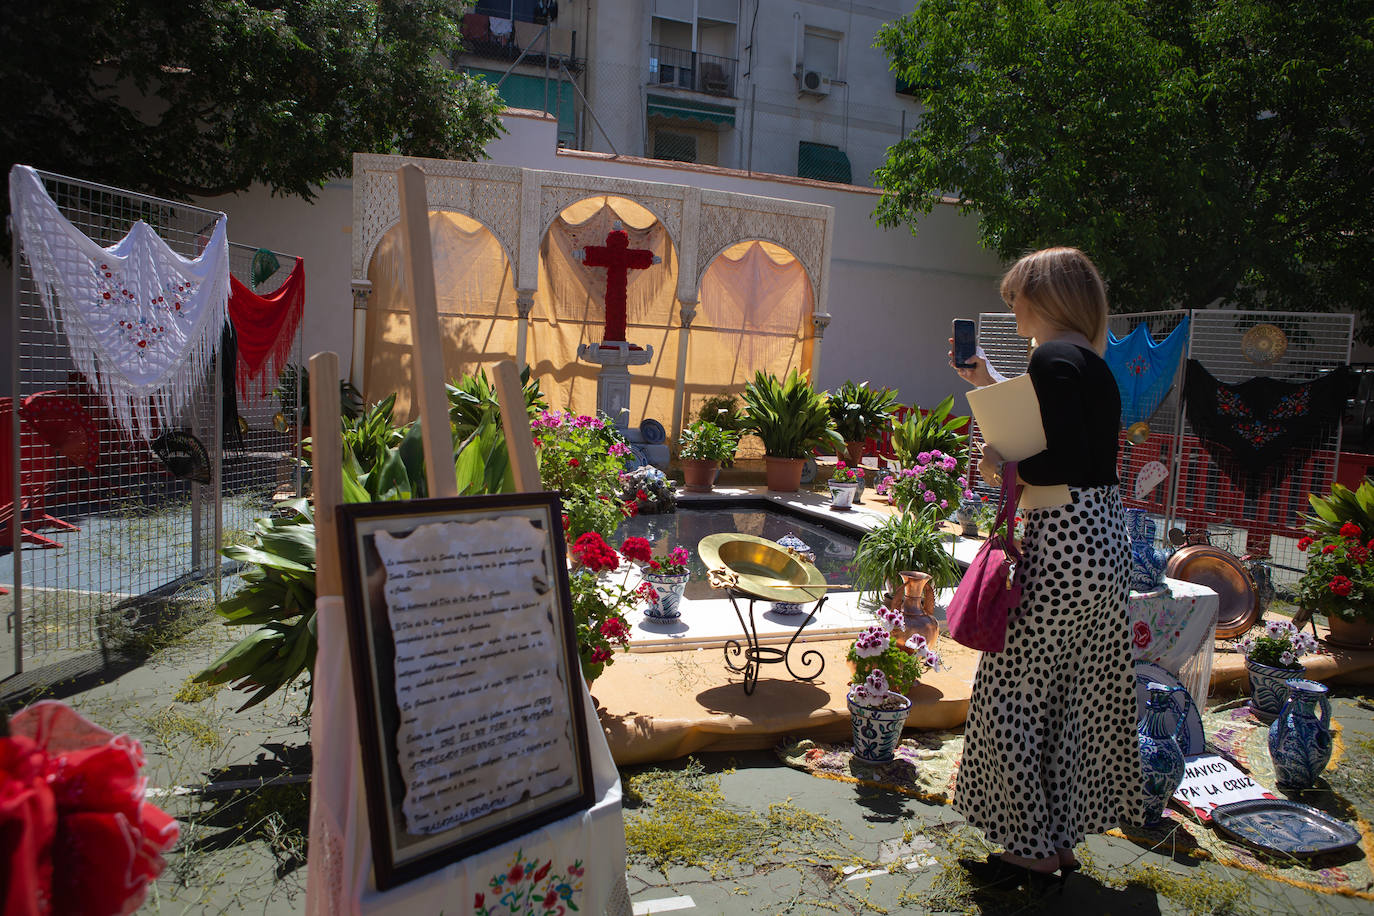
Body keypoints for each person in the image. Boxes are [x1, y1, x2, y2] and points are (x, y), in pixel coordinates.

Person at [948, 247, 1142, 889]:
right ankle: (1056, 839)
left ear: (1045, 296)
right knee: (1068, 697)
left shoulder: (1051, 358)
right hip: (1104, 544)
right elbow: (1074, 446)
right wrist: (989, 386)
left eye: (1018, 295)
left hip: (1058, 544)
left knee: (1013, 693)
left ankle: (1028, 845)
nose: (1013, 307)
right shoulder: (1092, 364)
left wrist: (997, 462)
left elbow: (1045, 461)